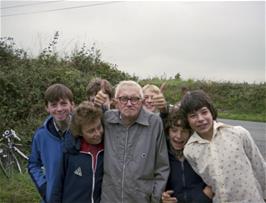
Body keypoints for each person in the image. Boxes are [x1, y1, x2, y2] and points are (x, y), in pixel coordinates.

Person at [180, 89, 266, 203]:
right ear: (187, 120)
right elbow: (209, 181)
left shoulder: (239, 133)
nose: (200, 119)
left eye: (204, 112)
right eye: (193, 116)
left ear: (211, 112)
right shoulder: (189, 150)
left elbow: (260, 167)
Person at [94, 80, 170, 203]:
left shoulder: (154, 123)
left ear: (142, 101)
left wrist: (156, 199)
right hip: (110, 198)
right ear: (116, 101)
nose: (129, 104)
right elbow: (85, 126)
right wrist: (96, 106)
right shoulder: (107, 119)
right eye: (124, 98)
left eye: (135, 99)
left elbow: (162, 167)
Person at [28, 83, 75, 203]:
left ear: (72, 105)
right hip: (52, 198)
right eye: (53, 105)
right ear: (47, 108)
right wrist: (44, 187)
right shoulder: (41, 135)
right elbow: (33, 164)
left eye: (63, 103)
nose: (59, 109)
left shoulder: (83, 131)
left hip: (78, 196)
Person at [50, 101, 104, 203]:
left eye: (99, 127)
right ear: (80, 132)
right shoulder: (69, 151)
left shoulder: (106, 149)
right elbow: (57, 185)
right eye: (91, 131)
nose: (97, 133)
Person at [161, 107, 213, 203]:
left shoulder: (201, 151)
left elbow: (216, 179)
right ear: (168, 132)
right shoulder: (162, 155)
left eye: (184, 131)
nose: (179, 136)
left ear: (190, 133)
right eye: (174, 130)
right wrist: (164, 198)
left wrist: (203, 198)